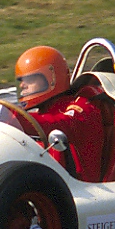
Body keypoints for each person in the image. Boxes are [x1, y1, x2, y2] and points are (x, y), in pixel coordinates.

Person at [15, 45, 105, 182]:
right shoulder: (44, 112)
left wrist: (13, 117)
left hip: (82, 192)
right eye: (22, 81)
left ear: (51, 79)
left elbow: (59, 124)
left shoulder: (83, 108)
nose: (23, 86)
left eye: (30, 79)